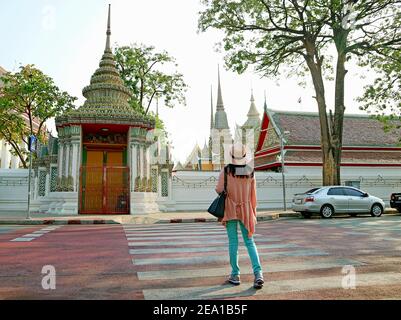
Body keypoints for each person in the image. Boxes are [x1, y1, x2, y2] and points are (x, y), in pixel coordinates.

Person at [215, 142, 264, 289]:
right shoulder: (250, 171)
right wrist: (253, 213)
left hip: (230, 208)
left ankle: (235, 274)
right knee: (250, 242)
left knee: (233, 243)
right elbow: (253, 196)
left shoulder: (226, 171)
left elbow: (218, 189)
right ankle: (258, 274)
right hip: (246, 209)